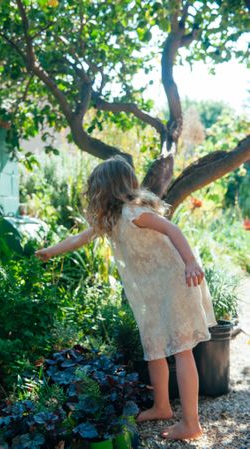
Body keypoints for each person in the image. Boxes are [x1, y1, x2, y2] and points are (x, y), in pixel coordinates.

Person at [35, 155, 217, 441]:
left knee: (182, 349)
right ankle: (162, 406)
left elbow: (172, 228)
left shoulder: (134, 212)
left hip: (175, 283)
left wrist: (192, 262)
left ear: (107, 189)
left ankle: (191, 424)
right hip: (153, 292)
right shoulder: (111, 220)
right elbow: (78, 239)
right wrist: (50, 251)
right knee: (154, 346)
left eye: (95, 188)